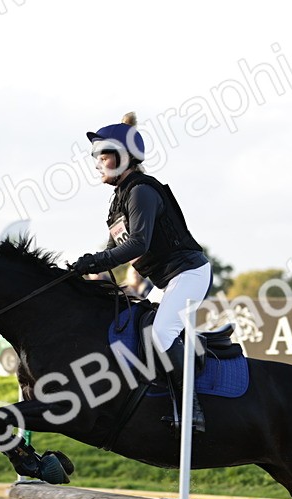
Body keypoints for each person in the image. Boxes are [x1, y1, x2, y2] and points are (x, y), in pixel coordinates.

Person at [69, 112, 211, 431]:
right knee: (139, 332)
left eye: (101, 156)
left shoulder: (141, 191)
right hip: (167, 282)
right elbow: (112, 250)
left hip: (189, 274)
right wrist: (80, 269)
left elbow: (137, 244)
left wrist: (96, 261)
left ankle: (192, 408)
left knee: (161, 335)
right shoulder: (119, 198)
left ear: (122, 157)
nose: (96, 164)